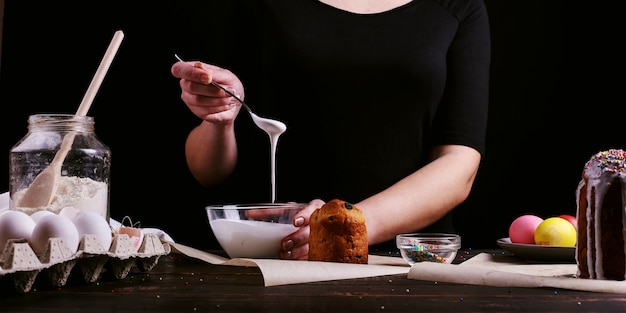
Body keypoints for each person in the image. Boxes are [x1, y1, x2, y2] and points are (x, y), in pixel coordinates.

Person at [170, 0, 490, 260]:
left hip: (410, 262)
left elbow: (459, 166)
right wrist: (220, 120)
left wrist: (342, 228)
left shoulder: (458, 7)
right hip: (275, 258)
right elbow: (207, 172)